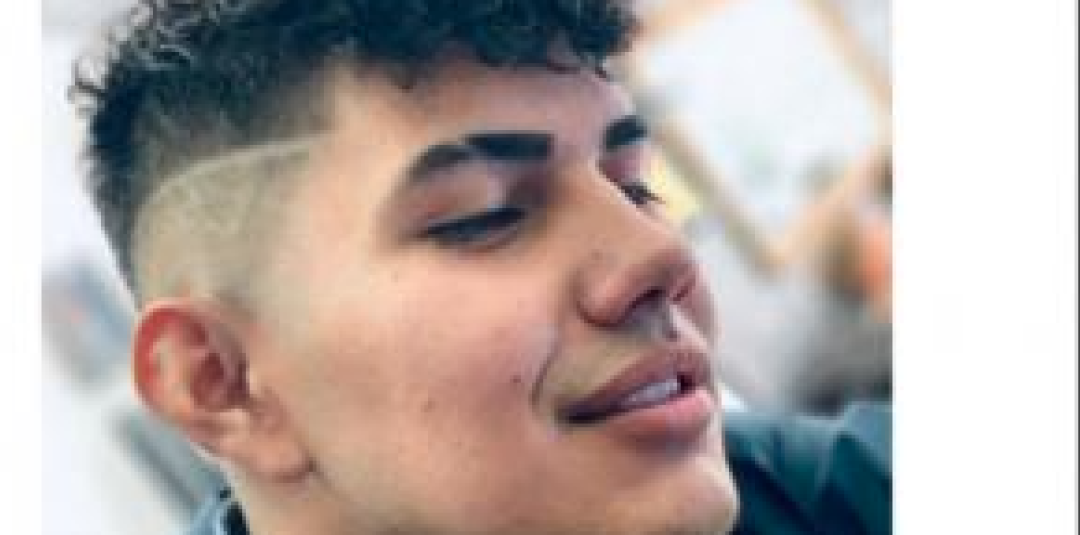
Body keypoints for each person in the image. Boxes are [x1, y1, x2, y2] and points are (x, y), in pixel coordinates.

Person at [70, 1, 891, 534]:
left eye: (635, 186)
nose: (664, 254)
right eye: (485, 214)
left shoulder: (803, 492)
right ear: (223, 384)